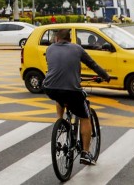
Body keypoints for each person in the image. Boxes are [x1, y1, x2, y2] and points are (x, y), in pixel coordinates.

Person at [42, 28, 111, 166]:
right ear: (70, 39)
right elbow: (92, 64)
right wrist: (105, 76)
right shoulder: (77, 48)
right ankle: (85, 153)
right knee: (85, 117)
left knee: (59, 95)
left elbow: (58, 68)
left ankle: (60, 122)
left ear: (56, 39)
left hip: (49, 88)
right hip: (72, 90)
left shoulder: (49, 49)